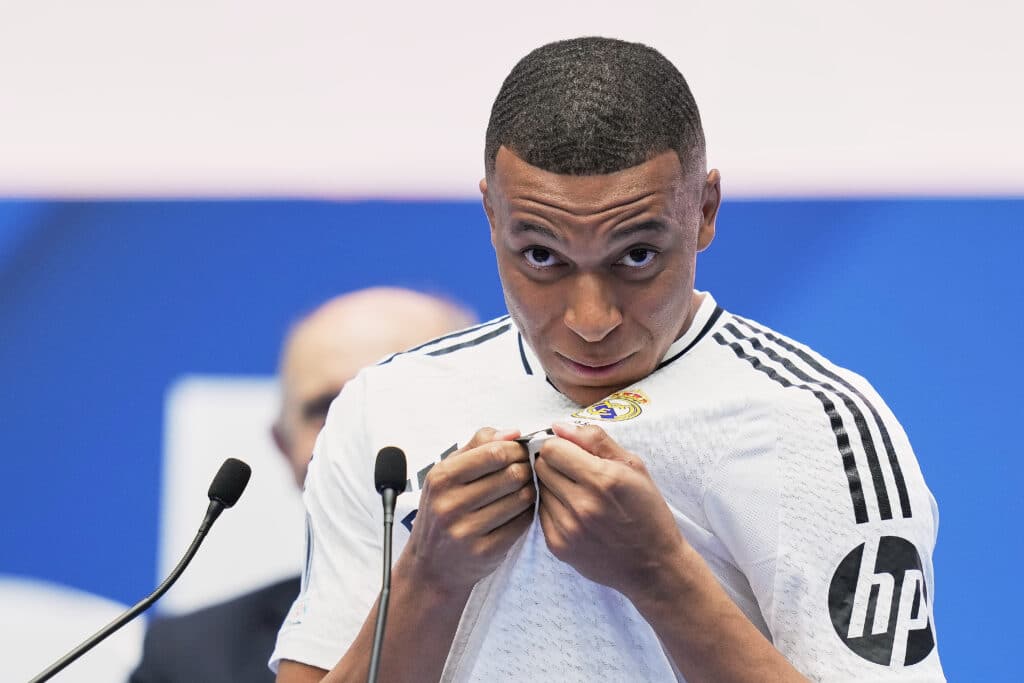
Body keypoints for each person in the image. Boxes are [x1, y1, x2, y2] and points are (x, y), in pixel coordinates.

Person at [273, 37, 944, 682]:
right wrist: (429, 575)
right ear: (491, 214)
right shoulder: (386, 407)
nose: (590, 320)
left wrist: (661, 573)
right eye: (542, 256)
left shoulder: (819, 422)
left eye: (636, 256)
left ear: (704, 210)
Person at [129, 287, 476, 683]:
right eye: (324, 410)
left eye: (395, 399)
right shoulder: (190, 658)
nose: (354, 438)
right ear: (283, 446)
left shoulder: (554, 614)